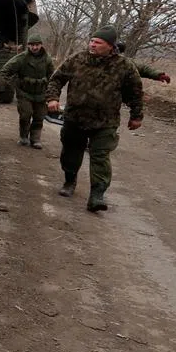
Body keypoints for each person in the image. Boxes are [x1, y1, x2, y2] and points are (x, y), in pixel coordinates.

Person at [45, 25, 144, 212]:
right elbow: (56, 79)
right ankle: (69, 180)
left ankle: (97, 195)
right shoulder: (78, 59)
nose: (92, 45)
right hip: (75, 117)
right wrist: (52, 98)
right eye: (91, 41)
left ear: (110, 46)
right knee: (71, 151)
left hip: (105, 121)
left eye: (98, 42)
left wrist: (136, 116)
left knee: (100, 156)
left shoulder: (124, 66)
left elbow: (135, 92)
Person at [0, 30, 55, 148]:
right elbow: (5, 71)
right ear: (28, 45)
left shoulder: (47, 59)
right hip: (24, 93)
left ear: (41, 45)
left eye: (37, 45)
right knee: (25, 115)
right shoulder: (21, 58)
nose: (35, 47)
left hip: (41, 93)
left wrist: (50, 93)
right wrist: (12, 85)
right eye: (32, 45)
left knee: (39, 117)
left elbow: (52, 77)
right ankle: (24, 137)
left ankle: (35, 139)